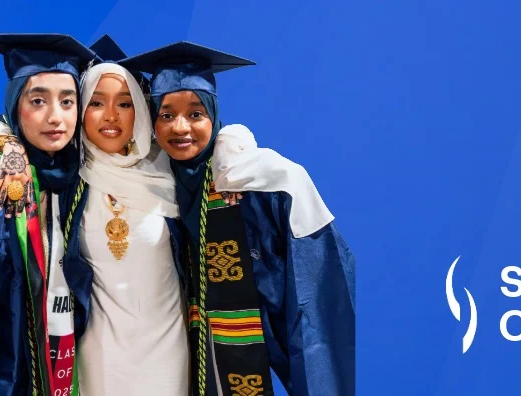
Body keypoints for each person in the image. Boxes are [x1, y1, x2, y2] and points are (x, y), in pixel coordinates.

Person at [121, 42, 357, 396]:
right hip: (176, 358)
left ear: (215, 116)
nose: (180, 127)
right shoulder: (151, 177)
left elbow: (314, 308)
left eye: (196, 114)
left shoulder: (258, 180)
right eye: (166, 115)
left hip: (246, 346)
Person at [0, 36, 192, 395]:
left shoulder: (173, 173)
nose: (111, 116)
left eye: (125, 102)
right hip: (93, 357)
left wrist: (234, 143)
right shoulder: (72, 175)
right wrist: (5, 142)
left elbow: (214, 140)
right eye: (96, 103)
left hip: (167, 350)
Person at [0, 33, 97, 396]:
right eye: (38, 101)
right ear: (14, 107)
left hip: (71, 357)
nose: (56, 118)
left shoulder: (82, 174)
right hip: (4, 367)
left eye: (68, 102)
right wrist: (5, 141)